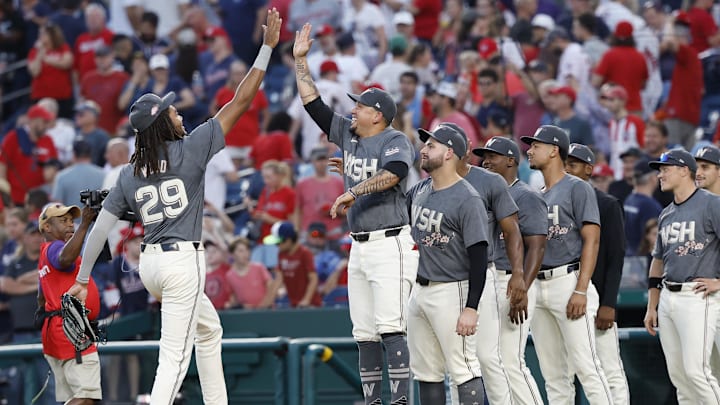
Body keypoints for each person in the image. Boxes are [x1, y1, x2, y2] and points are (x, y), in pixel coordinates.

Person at [66, 9, 282, 404]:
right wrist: (266, 49)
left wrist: (82, 277)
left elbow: (99, 230)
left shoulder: (129, 172)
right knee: (175, 354)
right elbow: (242, 99)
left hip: (150, 264)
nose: (178, 112)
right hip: (182, 261)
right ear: (162, 124)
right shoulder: (191, 149)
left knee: (209, 330)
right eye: (171, 111)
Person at [293, 22, 419, 405]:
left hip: (392, 242)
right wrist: (301, 62)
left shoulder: (394, 139)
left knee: (391, 327)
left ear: (377, 115)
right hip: (360, 245)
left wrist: (352, 189)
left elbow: (395, 173)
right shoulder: (349, 135)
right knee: (364, 332)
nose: (354, 108)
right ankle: (373, 400)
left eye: (361, 105)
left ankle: (398, 400)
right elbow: (313, 104)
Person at [520, 125, 613, 404]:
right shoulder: (534, 193)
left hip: (568, 279)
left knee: (588, 368)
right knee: (554, 376)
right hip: (539, 284)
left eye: (536, 145)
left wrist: (582, 289)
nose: (530, 150)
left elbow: (592, 240)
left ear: (553, 150)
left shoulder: (577, 187)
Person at [405, 124, 486, 404]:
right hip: (419, 289)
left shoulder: (468, 198)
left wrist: (472, 307)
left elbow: (479, 256)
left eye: (431, 145)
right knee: (426, 373)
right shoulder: (419, 190)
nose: (423, 150)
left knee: (463, 369)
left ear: (450, 152)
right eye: (425, 144)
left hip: (453, 289)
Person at [474, 136, 547, 405]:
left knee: (511, 361)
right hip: (492, 280)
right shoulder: (486, 193)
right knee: (490, 360)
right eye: (484, 156)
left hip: (512, 282)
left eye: (493, 156)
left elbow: (537, 247)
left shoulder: (525, 195)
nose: (486, 161)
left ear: (511, 161)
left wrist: (523, 288)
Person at [643, 148, 720, 402]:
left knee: (696, 372)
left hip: (697, 297)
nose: (660, 175)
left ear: (684, 170)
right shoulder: (666, 213)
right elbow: (657, 261)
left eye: (666, 169)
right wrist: (652, 306)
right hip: (668, 297)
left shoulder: (711, 203)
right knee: (679, 378)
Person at [566, 143, 630, 404]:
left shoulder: (606, 204)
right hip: (564, 295)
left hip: (597, 295)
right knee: (566, 370)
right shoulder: (555, 200)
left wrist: (608, 304)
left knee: (608, 367)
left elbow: (616, 257)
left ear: (588, 169)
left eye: (573, 164)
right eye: (565, 163)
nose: (567, 169)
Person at [37, 203, 101, 405]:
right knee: (86, 396)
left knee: (74, 398)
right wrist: (85, 225)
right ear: (47, 227)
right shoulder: (55, 247)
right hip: (71, 331)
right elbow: (65, 259)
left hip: (58, 329)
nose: (70, 225)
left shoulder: (43, 253)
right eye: (62, 221)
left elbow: (41, 297)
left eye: (71, 221)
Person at [263, 221, 322, 307]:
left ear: (289, 240)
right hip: (294, 304)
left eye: (278, 242)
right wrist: (268, 301)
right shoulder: (281, 254)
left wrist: (306, 300)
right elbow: (279, 279)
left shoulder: (305, 253)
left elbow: (313, 279)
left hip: (311, 305)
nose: (277, 246)